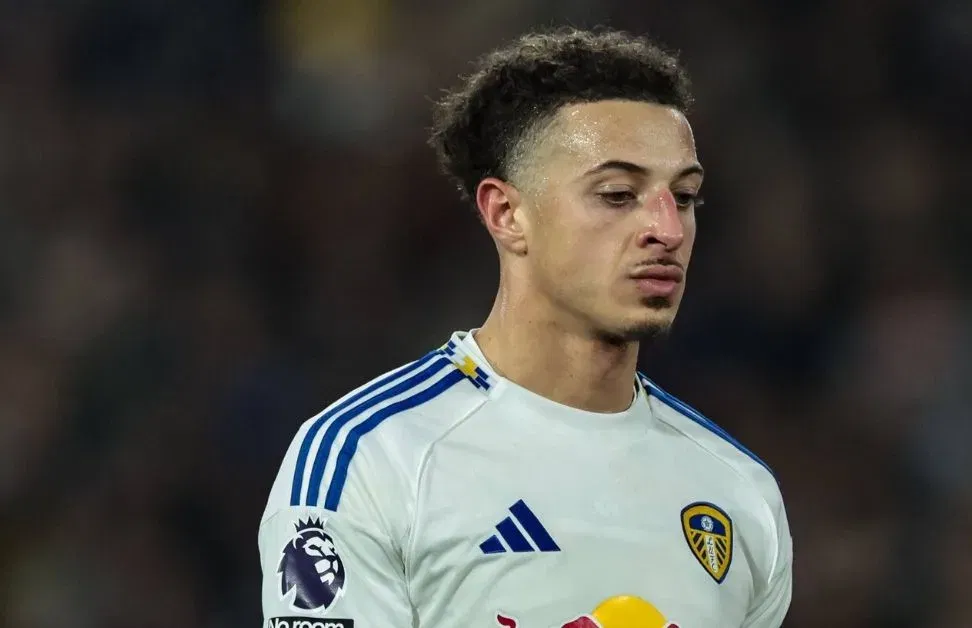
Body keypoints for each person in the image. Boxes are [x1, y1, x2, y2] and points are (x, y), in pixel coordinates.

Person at [259, 26, 792, 628]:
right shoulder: (371, 459)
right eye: (618, 194)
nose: (667, 230)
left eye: (686, 196)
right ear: (507, 214)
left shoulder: (739, 492)